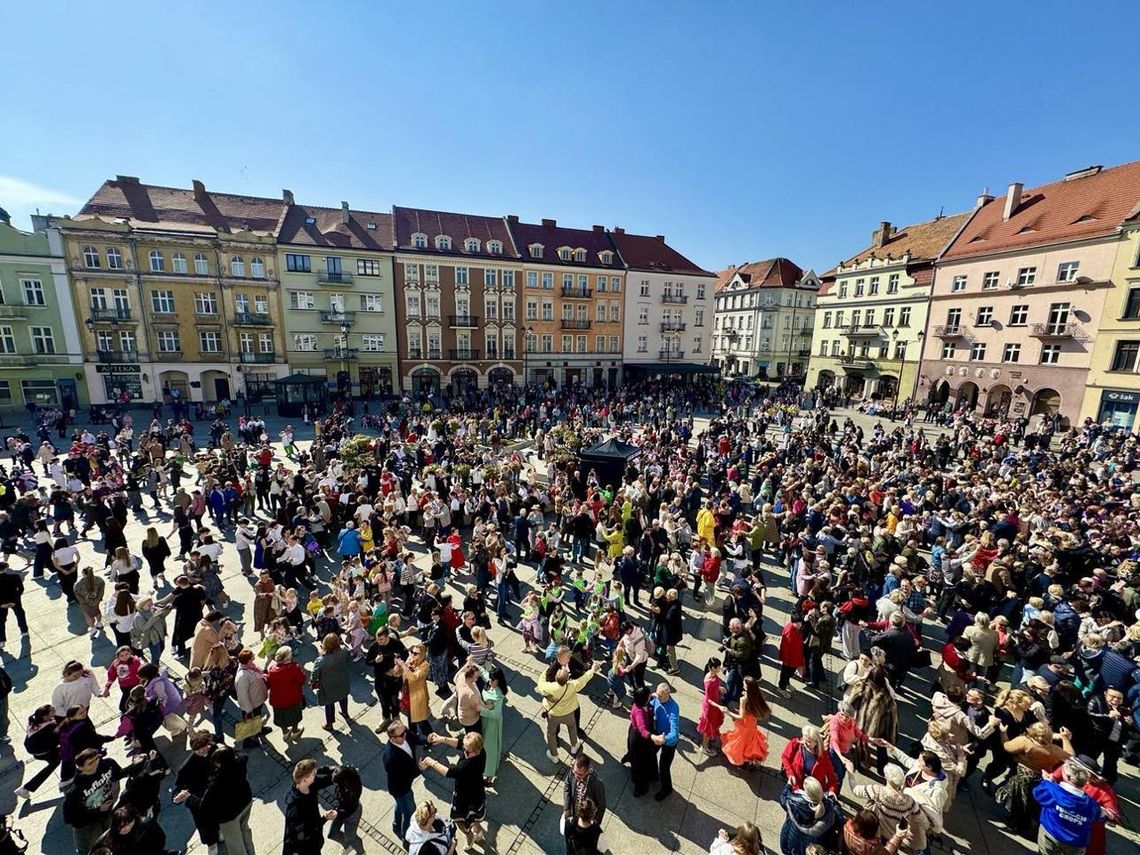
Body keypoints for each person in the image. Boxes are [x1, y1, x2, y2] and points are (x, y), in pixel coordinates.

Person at [174, 745, 255, 855]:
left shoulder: (217, 783)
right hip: (246, 802)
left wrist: (188, 796)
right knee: (244, 829)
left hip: (230, 816)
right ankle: (251, 852)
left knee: (235, 843)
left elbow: (203, 805)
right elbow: (242, 753)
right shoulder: (240, 762)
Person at [421, 731, 487, 851]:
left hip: (464, 799)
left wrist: (431, 762)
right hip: (478, 794)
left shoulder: (466, 766)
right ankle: (477, 830)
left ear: (475, 751)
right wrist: (442, 739)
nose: (464, 752)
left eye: (467, 751)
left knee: (461, 823)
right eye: (464, 749)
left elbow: (449, 773)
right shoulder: (481, 752)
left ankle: (470, 837)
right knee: (476, 816)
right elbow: (460, 743)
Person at [62, 747, 128, 855]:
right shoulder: (76, 790)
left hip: (107, 814)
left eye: (97, 758)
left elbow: (118, 774)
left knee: (109, 840)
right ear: (80, 767)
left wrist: (134, 767)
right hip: (87, 826)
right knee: (90, 850)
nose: (95, 763)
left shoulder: (107, 764)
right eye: (90, 763)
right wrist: (98, 810)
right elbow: (72, 819)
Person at [537, 660, 603, 762]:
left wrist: (548, 669)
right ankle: (574, 746)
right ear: (568, 678)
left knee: (551, 734)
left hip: (554, 715)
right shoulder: (572, 685)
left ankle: (554, 755)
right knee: (572, 727)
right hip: (569, 713)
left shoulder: (550, 687)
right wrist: (592, 670)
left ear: (556, 678)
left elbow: (541, 683)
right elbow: (584, 679)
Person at [1034, 758, 1102, 855]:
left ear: (1068, 776)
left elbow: (1038, 794)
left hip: (1050, 834)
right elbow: (1099, 816)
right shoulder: (1091, 804)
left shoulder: (1052, 790)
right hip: (1077, 843)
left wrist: (1047, 782)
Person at [383, 719, 429, 842]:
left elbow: (416, 738)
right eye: (402, 735)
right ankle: (406, 837)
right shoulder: (390, 758)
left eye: (405, 731)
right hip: (401, 788)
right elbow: (405, 776)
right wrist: (419, 769)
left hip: (404, 785)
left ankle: (396, 825)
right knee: (410, 814)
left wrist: (427, 739)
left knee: (400, 805)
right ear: (392, 738)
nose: (405, 735)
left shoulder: (403, 734)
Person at [283, 758, 337, 855]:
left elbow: (323, 781)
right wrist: (324, 818)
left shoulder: (309, 786)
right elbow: (299, 835)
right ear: (305, 780)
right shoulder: (295, 811)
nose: (316, 774)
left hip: (315, 841)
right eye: (313, 774)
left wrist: (338, 774)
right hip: (307, 850)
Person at [714, 675, 770, 768]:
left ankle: (741, 760)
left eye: (744, 683)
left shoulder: (743, 699)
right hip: (752, 723)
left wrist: (728, 712)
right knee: (748, 744)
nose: (742, 684)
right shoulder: (756, 695)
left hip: (744, 725)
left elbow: (740, 716)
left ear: (746, 687)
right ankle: (749, 760)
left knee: (740, 744)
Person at [779, 776, 840, 855]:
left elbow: (783, 799)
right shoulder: (829, 810)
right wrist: (834, 801)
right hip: (813, 849)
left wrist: (788, 786)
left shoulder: (793, 803)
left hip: (792, 842)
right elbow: (839, 821)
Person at [781, 724, 838, 794]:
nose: (805, 743)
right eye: (804, 739)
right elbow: (785, 757)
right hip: (796, 788)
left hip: (813, 793)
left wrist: (832, 791)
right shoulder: (796, 743)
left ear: (816, 743)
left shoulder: (823, 756)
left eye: (809, 741)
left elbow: (832, 777)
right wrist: (790, 774)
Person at [313, 632, 352, 731]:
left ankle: (329, 724)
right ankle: (345, 712)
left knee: (329, 703)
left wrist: (312, 683)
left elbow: (314, 676)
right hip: (342, 680)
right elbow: (348, 659)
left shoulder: (320, 660)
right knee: (343, 696)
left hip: (328, 685)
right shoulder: (344, 650)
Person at [624, 685, 658, 797]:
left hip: (635, 734)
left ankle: (629, 757)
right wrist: (653, 737)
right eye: (649, 696)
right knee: (640, 763)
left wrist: (653, 695)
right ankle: (641, 787)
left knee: (639, 757)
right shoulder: (639, 712)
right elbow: (643, 729)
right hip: (640, 739)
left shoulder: (638, 703)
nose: (650, 696)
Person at [649, 681, 680, 801]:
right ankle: (653, 775)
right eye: (657, 694)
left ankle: (667, 788)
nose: (658, 697)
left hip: (669, 741)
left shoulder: (674, 708)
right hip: (658, 734)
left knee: (664, 766)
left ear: (668, 695)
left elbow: (674, 732)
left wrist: (664, 739)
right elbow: (651, 703)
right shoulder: (657, 698)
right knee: (650, 753)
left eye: (660, 696)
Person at [480, 666, 508, 782]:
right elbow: (483, 672)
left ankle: (490, 775)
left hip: (492, 724)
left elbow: (496, 714)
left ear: (499, 680)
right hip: (485, 720)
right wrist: (472, 663)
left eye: (493, 680)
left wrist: (481, 710)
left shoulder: (498, 695)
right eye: (490, 678)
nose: (490, 681)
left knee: (489, 748)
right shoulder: (490, 682)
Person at [564, 753, 607, 829]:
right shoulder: (574, 770)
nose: (576, 777)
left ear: (587, 771)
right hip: (574, 813)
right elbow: (567, 784)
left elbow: (601, 806)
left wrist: (594, 824)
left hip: (586, 820)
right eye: (575, 773)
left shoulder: (597, 784)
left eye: (580, 775)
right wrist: (567, 808)